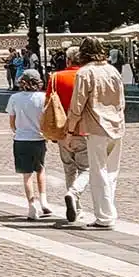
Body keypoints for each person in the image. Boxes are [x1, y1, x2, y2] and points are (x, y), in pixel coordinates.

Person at [63, 37, 127, 229]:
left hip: (96, 126)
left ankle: (104, 216)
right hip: (117, 125)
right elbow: (122, 101)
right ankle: (109, 212)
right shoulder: (113, 71)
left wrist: (70, 130)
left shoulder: (85, 73)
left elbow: (77, 106)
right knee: (112, 171)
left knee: (98, 171)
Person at [44, 47, 88, 224]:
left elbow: (47, 104)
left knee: (69, 168)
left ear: (68, 60)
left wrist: (51, 131)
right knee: (86, 168)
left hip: (62, 130)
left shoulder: (55, 77)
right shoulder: (85, 76)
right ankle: (73, 193)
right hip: (83, 129)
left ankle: (76, 208)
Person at [8, 69, 52, 219]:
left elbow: (12, 122)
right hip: (38, 138)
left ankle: (32, 205)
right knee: (40, 170)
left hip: (21, 139)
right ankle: (44, 201)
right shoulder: (43, 97)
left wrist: (17, 130)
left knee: (27, 175)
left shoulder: (15, 98)